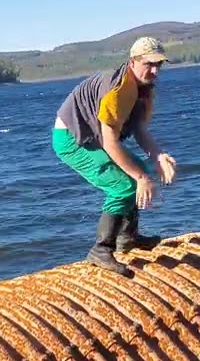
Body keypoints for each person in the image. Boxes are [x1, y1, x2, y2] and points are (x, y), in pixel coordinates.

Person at [52, 36, 178, 276]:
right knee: (123, 186)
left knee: (136, 168)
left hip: (93, 136)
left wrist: (158, 156)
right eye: (148, 64)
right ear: (133, 61)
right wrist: (141, 178)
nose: (154, 70)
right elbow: (110, 143)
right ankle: (101, 248)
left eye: (158, 65)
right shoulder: (118, 91)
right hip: (71, 137)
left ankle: (127, 238)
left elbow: (139, 129)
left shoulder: (144, 89)